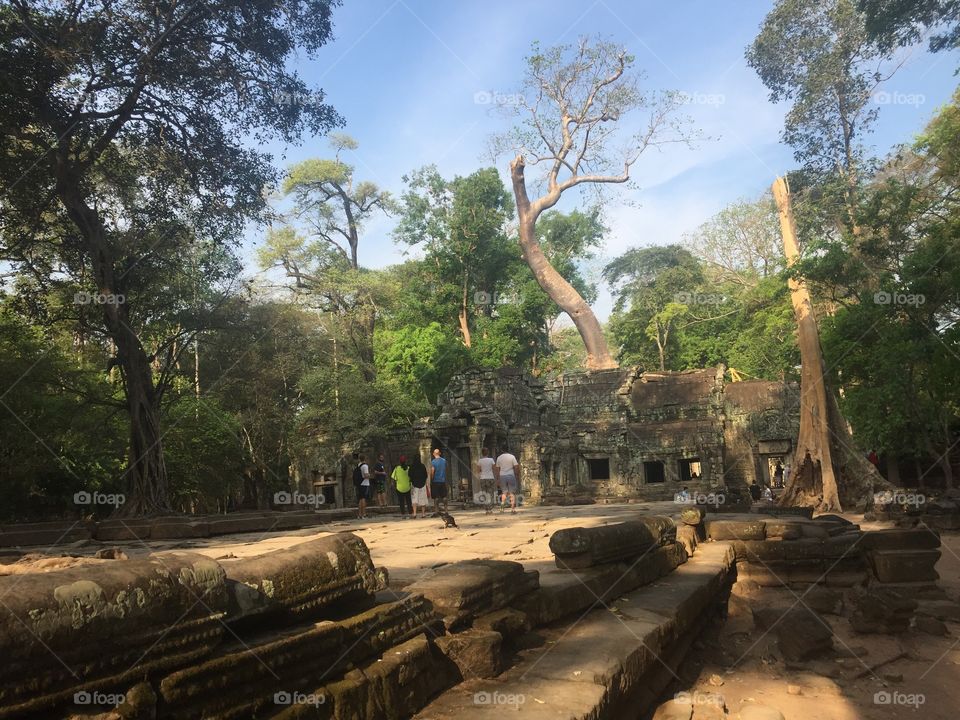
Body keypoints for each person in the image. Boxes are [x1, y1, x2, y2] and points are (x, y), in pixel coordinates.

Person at [495, 448, 520, 513]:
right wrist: (517, 475)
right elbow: (516, 466)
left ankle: (502, 506)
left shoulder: (499, 458)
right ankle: (513, 509)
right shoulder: (512, 457)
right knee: (512, 493)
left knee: (504, 492)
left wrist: (497, 478)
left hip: (502, 476)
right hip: (511, 475)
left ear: (502, 451)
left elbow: (497, 469)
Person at [475, 447, 497, 513]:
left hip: (483, 478)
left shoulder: (480, 461)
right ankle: (490, 508)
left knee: (484, 493)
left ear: (482, 453)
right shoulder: (491, 460)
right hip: (490, 478)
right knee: (490, 493)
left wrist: (482, 472)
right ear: (488, 453)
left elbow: (478, 470)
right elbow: (494, 468)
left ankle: (486, 509)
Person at [430, 448, 448, 515]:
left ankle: (436, 511)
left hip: (435, 481)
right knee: (444, 496)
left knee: (436, 497)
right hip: (442, 480)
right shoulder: (444, 461)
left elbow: (432, 471)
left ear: (433, 454)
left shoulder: (433, 462)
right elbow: (446, 470)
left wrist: (431, 479)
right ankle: (446, 510)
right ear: (440, 453)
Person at [355, 454, 371, 519]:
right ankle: (364, 514)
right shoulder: (365, 466)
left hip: (359, 484)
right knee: (363, 498)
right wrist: (369, 475)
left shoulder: (359, 465)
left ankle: (359, 514)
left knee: (360, 499)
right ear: (365, 459)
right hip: (364, 483)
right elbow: (365, 475)